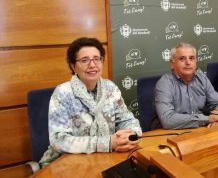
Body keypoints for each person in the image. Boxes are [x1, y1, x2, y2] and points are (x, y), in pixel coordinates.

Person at [39, 37, 142, 166]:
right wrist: (107, 143)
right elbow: (59, 140)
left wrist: (130, 136)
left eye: (97, 59)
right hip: (68, 162)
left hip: (108, 157)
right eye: (84, 60)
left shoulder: (110, 88)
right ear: (73, 66)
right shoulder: (62, 93)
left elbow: (128, 120)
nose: (92, 65)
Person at [153, 42, 218, 129]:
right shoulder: (164, 83)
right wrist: (207, 119)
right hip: (171, 134)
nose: (188, 62)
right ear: (172, 64)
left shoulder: (202, 78)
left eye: (192, 58)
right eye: (182, 59)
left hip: (199, 130)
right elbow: (168, 120)